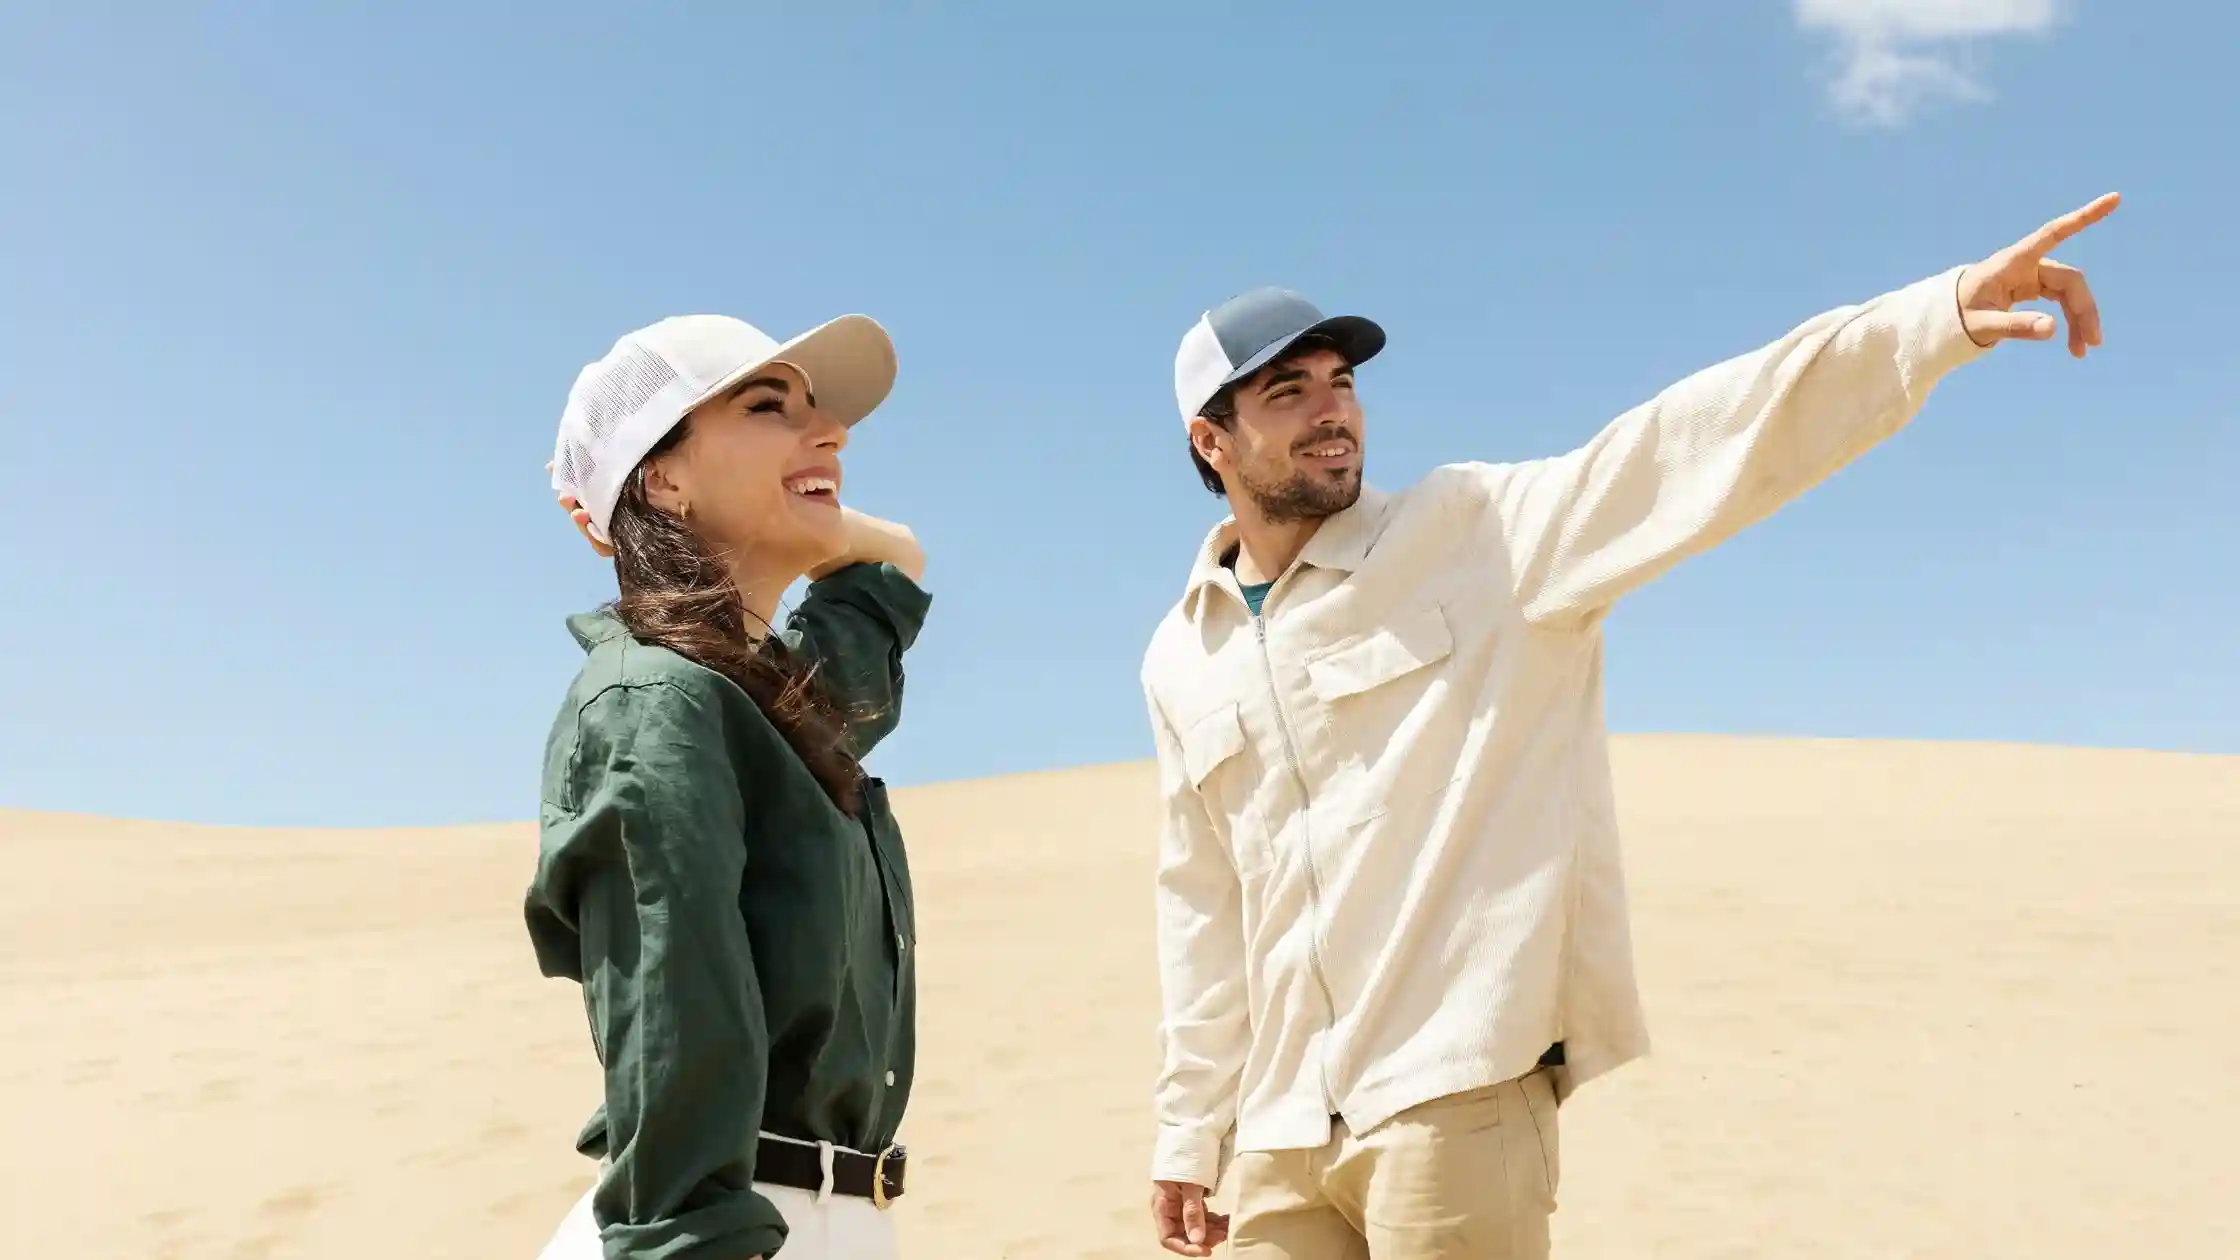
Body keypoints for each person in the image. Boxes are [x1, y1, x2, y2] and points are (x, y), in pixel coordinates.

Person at [1140, 193, 2120, 1259]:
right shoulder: (1180, 657)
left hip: (1448, 1093)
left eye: (1341, 383)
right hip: (1281, 1137)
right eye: (1287, 393)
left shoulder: (1474, 535)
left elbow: (1696, 442)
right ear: (1213, 439)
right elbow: (1203, 906)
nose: (1333, 411)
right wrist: (1191, 1130)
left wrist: (1940, 316)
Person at [525, 310, 933, 1260]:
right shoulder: (653, 706)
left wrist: (802, 497)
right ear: (662, 475)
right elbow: (675, 1049)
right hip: (723, 1231)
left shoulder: (782, 701)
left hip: (835, 1225)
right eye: (767, 407)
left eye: (820, 413)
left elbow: (898, 560)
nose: (829, 431)